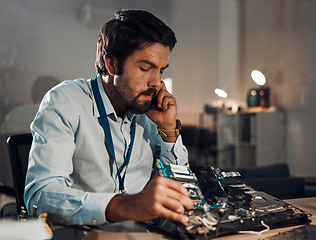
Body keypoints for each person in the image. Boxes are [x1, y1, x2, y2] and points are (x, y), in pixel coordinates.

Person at [24, 9, 193, 226]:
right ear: (112, 64)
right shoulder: (65, 101)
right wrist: (124, 206)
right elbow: (41, 197)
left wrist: (169, 131)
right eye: (145, 68)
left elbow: (183, 193)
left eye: (161, 70)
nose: (157, 82)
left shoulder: (150, 111)